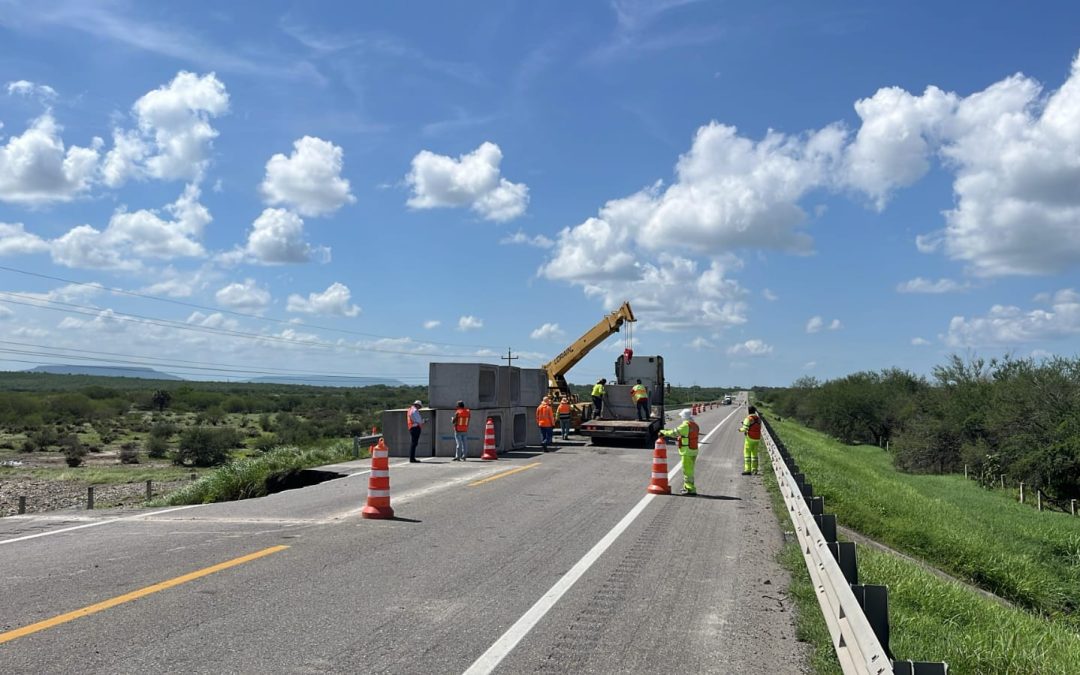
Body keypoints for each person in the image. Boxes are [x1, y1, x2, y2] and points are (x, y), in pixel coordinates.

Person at [660, 408, 700, 495]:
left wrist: (663, 432)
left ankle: (690, 489)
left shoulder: (686, 425)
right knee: (690, 470)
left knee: (687, 471)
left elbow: (674, 433)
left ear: (684, 417)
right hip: (693, 450)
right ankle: (687, 487)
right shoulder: (695, 425)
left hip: (687, 451)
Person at [739, 405, 762, 475]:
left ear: (748, 411)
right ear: (754, 411)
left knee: (747, 454)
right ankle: (755, 469)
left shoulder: (748, 419)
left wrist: (740, 429)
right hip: (757, 438)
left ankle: (747, 470)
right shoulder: (758, 419)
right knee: (754, 454)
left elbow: (745, 429)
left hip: (750, 438)